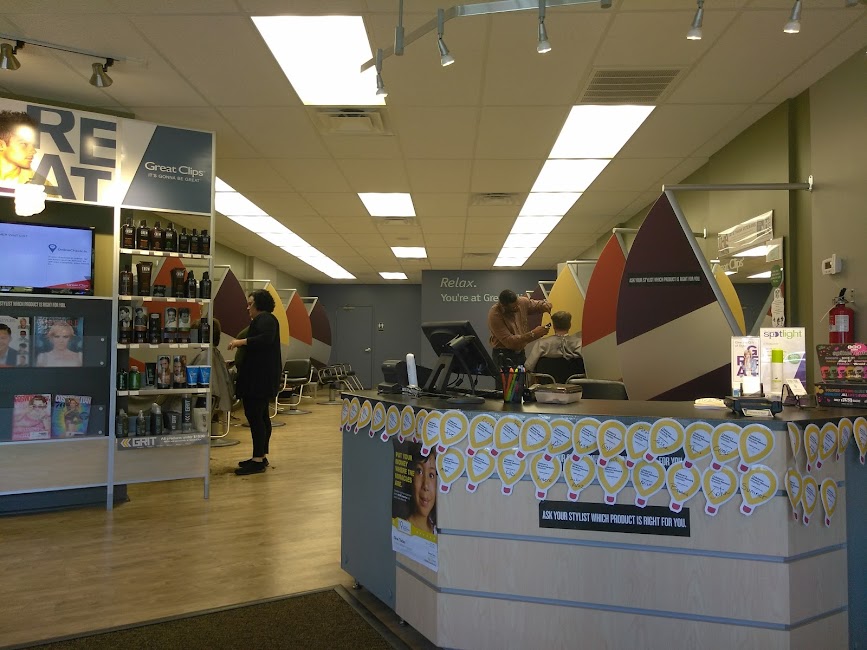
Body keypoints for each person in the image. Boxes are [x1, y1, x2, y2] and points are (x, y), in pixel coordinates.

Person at [228, 289, 282, 475]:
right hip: (260, 380)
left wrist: (241, 342)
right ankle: (260, 456)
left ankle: (258, 460)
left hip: (259, 381)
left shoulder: (266, 319)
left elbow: (265, 340)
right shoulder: (265, 320)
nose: (248, 307)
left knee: (256, 418)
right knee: (261, 417)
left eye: (250, 304)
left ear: (259, 304)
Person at [487, 289, 551, 370]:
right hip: (503, 355)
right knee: (506, 378)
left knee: (522, 377)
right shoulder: (495, 315)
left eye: (517, 304)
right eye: (514, 307)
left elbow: (536, 305)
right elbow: (510, 342)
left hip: (520, 353)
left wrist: (544, 305)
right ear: (503, 306)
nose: (518, 307)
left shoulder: (521, 302)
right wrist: (533, 334)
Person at [0, 110, 38, 184]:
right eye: (24, 144)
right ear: (1, 145)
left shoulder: (42, 184)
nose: (33, 151)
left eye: (33, 145)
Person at [408, 449, 438, 534]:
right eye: (419, 471)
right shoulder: (401, 528)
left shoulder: (437, 529)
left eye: (431, 475)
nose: (425, 486)